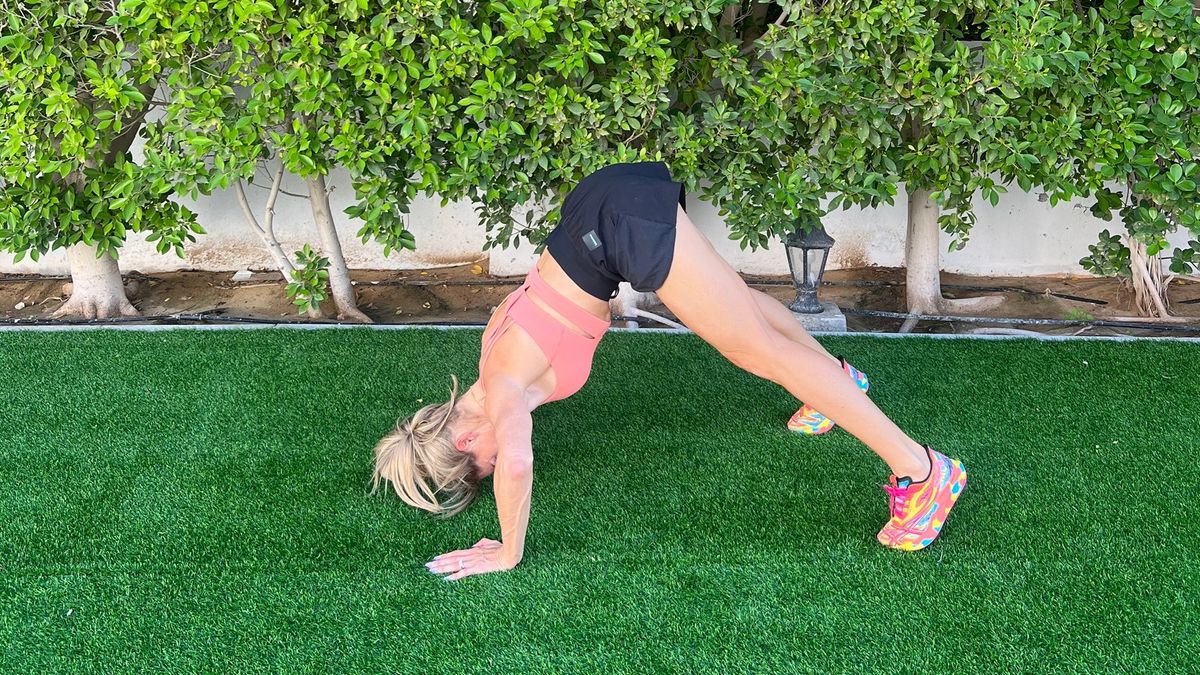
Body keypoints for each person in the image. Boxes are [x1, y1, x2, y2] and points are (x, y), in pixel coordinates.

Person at [372, 162, 967, 581]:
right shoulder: (492, 353)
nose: (499, 459)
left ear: (466, 438)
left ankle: (922, 473)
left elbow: (520, 462)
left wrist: (507, 549)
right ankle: (835, 381)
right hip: (601, 208)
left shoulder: (501, 386)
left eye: (484, 463)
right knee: (740, 308)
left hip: (617, 228)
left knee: (754, 351)